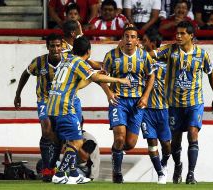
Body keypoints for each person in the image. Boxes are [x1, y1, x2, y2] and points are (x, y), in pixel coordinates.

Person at [48, 36, 130, 184]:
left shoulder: (66, 59)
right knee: (78, 141)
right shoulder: (79, 62)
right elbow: (97, 77)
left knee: (71, 141)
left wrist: (93, 77)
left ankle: (73, 174)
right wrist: (120, 80)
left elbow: (79, 84)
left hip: (53, 104)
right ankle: (59, 174)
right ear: (88, 51)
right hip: (65, 106)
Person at [150, 21, 213, 184]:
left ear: (191, 36)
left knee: (193, 133)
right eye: (177, 33)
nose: (178, 36)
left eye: (182, 34)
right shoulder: (170, 50)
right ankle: (178, 165)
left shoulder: (202, 54)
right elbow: (152, 54)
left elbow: (211, 73)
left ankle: (191, 173)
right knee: (175, 142)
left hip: (194, 102)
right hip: (174, 104)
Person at [102, 25, 155, 183]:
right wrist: (109, 93)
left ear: (137, 40)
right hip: (118, 101)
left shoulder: (144, 56)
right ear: (122, 39)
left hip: (137, 102)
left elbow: (151, 76)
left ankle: (115, 153)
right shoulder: (111, 56)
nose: (129, 40)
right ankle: (117, 173)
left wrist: (145, 96)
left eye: (132, 37)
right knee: (119, 138)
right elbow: (101, 76)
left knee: (130, 143)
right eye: (126, 36)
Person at [14, 33, 64, 182]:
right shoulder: (39, 62)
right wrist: (18, 94)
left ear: (61, 46)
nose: (55, 49)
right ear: (47, 47)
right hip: (44, 100)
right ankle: (47, 168)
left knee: (58, 136)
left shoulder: (68, 61)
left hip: (62, 102)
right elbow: (25, 74)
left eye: (58, 45)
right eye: (52, 46)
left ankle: (50, 166)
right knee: (46, 128)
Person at [141, 28, 171, 185]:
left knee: (166, 144)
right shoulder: (140, 60)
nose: (141, 43)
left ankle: (164, 163)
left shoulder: (168, 63)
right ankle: (160, 173)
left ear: (153, 43)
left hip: (164, 109)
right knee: (151, 141)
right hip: (146, 110)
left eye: (144, 41)